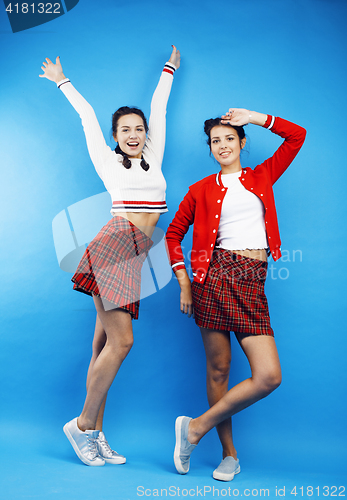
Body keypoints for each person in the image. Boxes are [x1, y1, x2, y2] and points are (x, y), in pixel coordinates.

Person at [39, 46, 180, 466]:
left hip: (135, 254)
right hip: (114, 245)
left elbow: (161, 107)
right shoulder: (106, 159)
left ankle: (95, 433)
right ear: (115, 135)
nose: (134, 134)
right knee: (122, 342)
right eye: (125, 129)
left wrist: (169, 70)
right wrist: (62, 81)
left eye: (139, 128)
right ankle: (81, 426)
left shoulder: (153, 157)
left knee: (102, 342)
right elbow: (85, 115)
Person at [166, 108, 306, 481]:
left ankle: (194, 428)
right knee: (219, 369)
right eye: (216, 141)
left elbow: (297, 136)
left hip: (253, 279)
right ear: (210, 149)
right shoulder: (200, 189)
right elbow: (173, 234)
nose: (222, 145)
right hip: (214, 277)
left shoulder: (262, 175)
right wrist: (184, 282)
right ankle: (229, 455)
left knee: (268, 376)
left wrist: (255, 117)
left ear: (242, 142)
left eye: (230, 138)